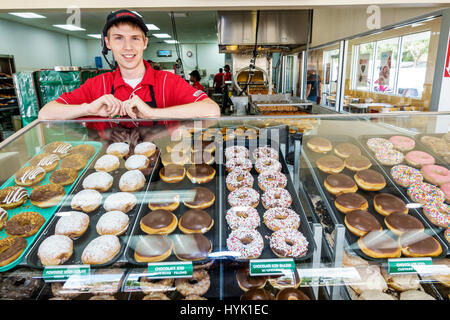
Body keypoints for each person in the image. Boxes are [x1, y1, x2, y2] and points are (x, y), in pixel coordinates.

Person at [38, 9, 220, 123]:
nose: (127, 47)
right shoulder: (97, 85)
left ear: (145, 42)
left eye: (135, 38)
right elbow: (45, 114)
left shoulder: (168, 81)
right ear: (107, 43)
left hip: (161, 173)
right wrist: (88, 108)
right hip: (107, 176)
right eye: (119, 38)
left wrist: (152, 113)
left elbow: (212, 110)